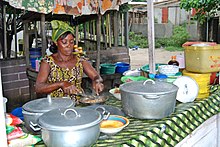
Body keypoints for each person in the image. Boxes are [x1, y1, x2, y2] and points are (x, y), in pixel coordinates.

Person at [35, 20, 104, 101]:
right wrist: (61, 84)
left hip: (78, 103)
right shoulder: (48, 62)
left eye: (71, 42)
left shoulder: (80, 60)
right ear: (56, 42)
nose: (69, 46)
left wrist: (97, 81)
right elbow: (38, 88)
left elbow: (96, 76)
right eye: (64, 42)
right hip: (56, 106)